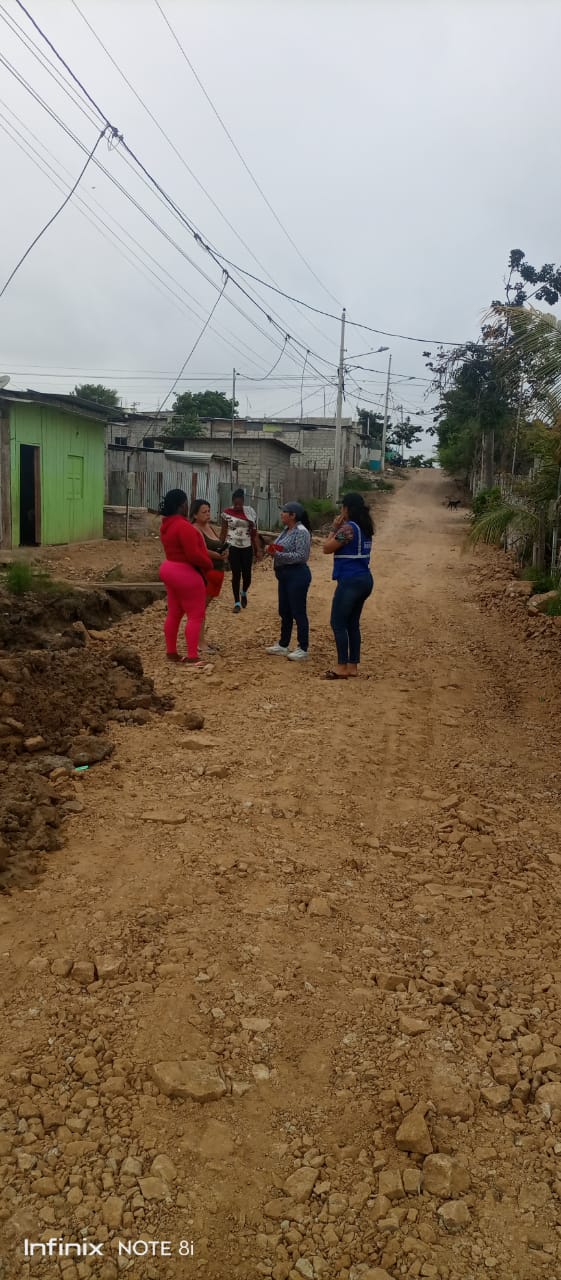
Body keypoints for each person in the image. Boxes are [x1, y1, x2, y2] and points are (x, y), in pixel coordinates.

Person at [322, 491, 374, 680]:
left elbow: (327, 548)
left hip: (350, 580)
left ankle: (341, 666)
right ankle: (353, 666)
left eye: (342, 507)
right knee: (352, 623)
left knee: (338, 622)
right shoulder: (365, 527)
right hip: (364, 579)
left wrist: (334, 528)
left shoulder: (348, 529)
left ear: (347, 509)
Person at [158, 489, 213, 667]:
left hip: (169, 569)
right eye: (186, 503)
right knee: (195, 615)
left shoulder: (166, 525)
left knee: (174, 613)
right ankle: (192, 656)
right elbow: (193, 554)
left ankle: (171, 652)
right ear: (182, 505)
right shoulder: (183, 527)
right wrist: (208, 564)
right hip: (185, 573)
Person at [265, 502, 312, 661]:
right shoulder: (286, 530)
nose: (282, 514)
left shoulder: (301, 532)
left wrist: (277, 555)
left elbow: (301, 556)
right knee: (284, 610)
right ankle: (283, 644)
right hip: (284, 574)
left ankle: (302, 648)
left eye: (284, 512)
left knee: (298, 611)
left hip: (297, 574)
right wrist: (272, 549)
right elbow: (283, 548)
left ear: (293, 515)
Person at [190, 498, 228, 655]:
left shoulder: (209, 527)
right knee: (200, 609)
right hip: (206, 574)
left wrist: (224, 551)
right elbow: (202, 550)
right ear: (195, 515)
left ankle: (201, 641)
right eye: (203, 512)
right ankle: (199, 643)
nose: (207, 514)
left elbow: (218, 544)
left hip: (217, 572)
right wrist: (219, 555)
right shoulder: (195, 529)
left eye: (208, 511)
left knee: (203, 608)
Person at [220, 488, 261, 613]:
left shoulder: (250, 512)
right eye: (236, 503)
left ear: (243, 501)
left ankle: (243, 592)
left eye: (240, 503)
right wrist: (220, 547)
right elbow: (223, 532)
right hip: (232, 547)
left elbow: (254, 533)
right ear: (233, 501)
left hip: (247, 547)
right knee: (236, 574)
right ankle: (237, 602)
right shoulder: (226, 513)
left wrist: (258, 549)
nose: (238, 506)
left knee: (247, 575)